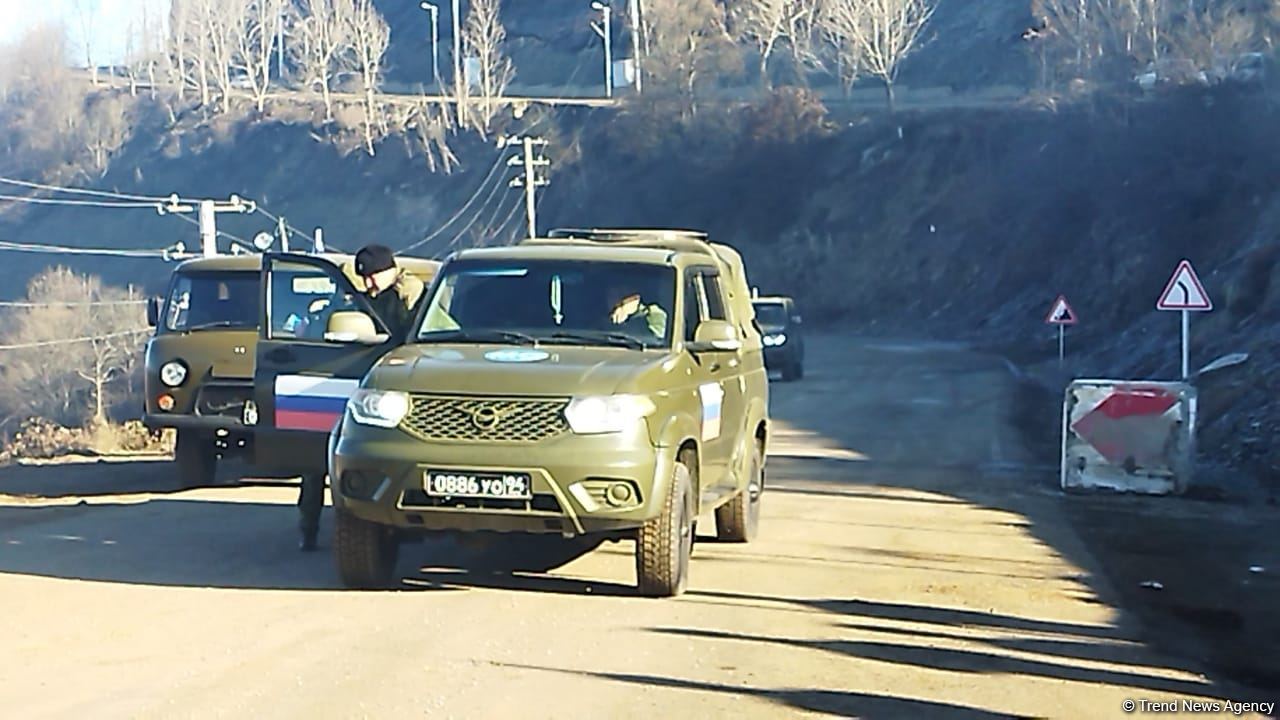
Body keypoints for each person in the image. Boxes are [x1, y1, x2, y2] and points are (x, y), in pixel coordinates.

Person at [297, 244, 426, 552]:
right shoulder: (367, 298)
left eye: (373, 276)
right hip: (355, 379)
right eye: (364, 278)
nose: (369, 284)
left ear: (390, 270)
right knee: (316, 461)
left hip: (393, 386)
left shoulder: (412, 297)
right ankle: (308, 527)